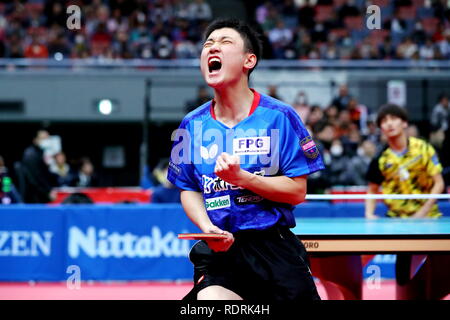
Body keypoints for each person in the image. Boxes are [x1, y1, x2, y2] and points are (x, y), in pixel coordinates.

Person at [167, 18, 324, 301]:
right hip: (221, 252)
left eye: (225, 42)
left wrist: (244, 179)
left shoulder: (280, 117)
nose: (213, 48)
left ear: (248, 61)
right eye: (208, 44)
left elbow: (297, 191)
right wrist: (207, 227)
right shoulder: (190, 125)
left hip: (274, 249)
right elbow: (188, 188)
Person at [365, 104, 445, 219]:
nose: (389, 123)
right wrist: (369, 215)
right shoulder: (380, 159)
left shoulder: (423, 149)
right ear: (381, 128)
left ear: (404, 123)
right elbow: (372, 190)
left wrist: (422, 213)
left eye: (393, 119)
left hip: (428, 218)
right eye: (384, 121)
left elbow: (439, 183)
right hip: (395, 220)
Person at [20, 130, 57, 203]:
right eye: (43, 138)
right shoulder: (31, 154)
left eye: (47, 139)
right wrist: (47, 192)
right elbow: (34, 178)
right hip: (34, 197)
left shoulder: (44, 154)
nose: (46, 141)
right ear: (35, 140)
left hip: (41, 195)